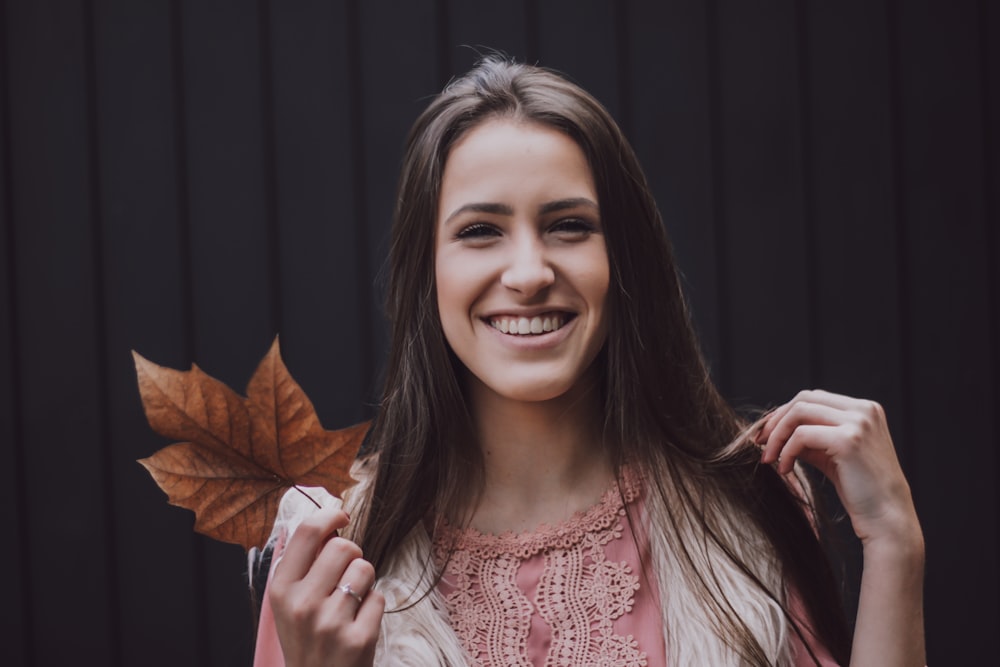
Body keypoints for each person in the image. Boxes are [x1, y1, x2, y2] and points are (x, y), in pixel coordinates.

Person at [250, 56, 925, 666]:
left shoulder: (750, 508)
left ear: (622, 258)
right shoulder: (331, 557)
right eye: (480, 231)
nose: (529, 272)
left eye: (568, 225)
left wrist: (896, 545)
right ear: (426, 275)